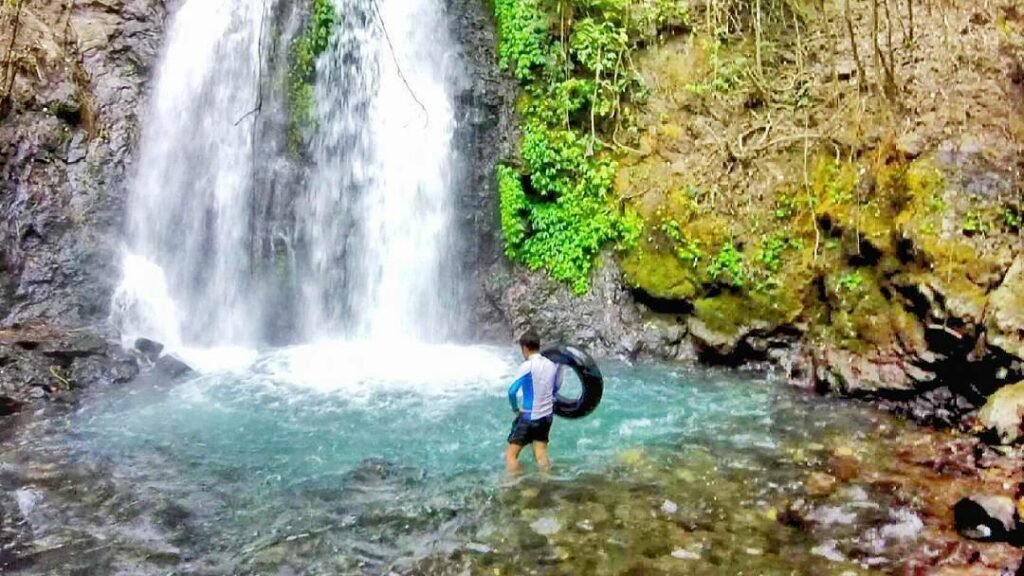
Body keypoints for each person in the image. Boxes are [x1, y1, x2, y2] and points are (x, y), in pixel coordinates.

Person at [505, 329, 563, 473]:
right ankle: (547, 480)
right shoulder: (551, 365)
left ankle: (516, 482)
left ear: (524, 348)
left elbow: (512, 391)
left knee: (511, 456)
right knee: (541, 454)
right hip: (546, 416)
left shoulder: (527, 366)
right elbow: (556, 387)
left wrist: (515, 409)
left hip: (529, 416)